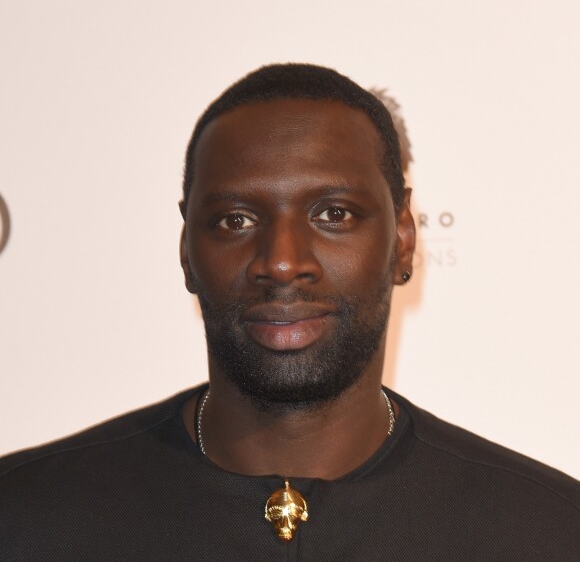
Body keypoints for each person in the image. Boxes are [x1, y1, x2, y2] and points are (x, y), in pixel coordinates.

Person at [1, 64, 578, 561]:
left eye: (333, 214)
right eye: (236, 220)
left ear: (403, 239)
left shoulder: (546, 531)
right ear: (186, 251)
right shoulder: (24, 517)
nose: (281, 262)